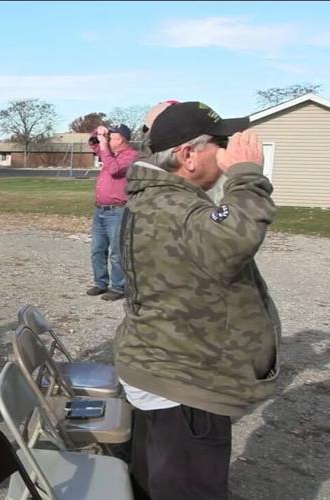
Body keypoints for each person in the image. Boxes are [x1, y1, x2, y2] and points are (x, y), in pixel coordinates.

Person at [114, 101, 280, 500]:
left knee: (157, 482)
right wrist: (245, 174)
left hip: (167, 369)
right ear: (187, 155)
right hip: (184, 383)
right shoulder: (171, 205)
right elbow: (234, 238)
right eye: (219, 143)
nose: (226, 151)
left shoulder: (162, 198)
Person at [87, 123, 139, 301]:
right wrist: (98, 132)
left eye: (112, 137)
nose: (108, 141)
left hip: (118, 211)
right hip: (100, 210)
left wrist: (104, 147)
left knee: (117, 251)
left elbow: (115, 169)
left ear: (122, 139)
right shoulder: (110, 153)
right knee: (97, 249)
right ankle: (100, 283)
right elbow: (93, 143)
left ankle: (118, 286)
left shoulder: (131, 156)